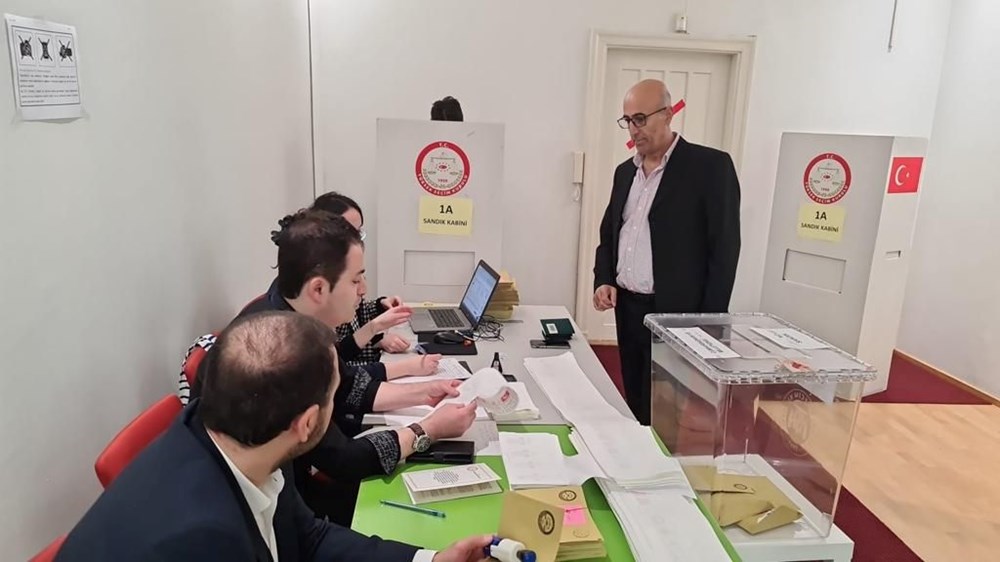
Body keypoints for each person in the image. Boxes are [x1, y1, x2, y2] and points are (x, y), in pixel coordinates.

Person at [56, 311, 493, 561]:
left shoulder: (245, 439)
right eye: (334, 395)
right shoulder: (203, 539)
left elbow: (308, 537)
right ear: (307, 423)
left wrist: (430, 559)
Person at [193, 210, 477, 523]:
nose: (364, 290)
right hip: (278, 511)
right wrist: (428, 430)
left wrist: (425, 392)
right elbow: (343, 460)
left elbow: (349, 385)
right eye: (355, 279)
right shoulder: (279, 353)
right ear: (318, 289)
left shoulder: (294, 317)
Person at [593, 79, 741, 426]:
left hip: (677, 314)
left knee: (668, 411)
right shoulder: (624, 173)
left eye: (641, 118)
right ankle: (635, 452)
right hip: (628, 308)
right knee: (635, 399)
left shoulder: (710, 167)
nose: (634, 129)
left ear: (669, 114)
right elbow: (610, 233)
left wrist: (708, 325)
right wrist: (604, 278)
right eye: (628, 120)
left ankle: (660, 457)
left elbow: (724, 250)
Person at [309, 191, 411, 365]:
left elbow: (356, 316)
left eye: (359, 232)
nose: (362, 290)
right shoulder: (322, 283)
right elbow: (339, 361)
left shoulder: (347, 262)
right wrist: (374, 332)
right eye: (355, 281)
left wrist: (380, 306)